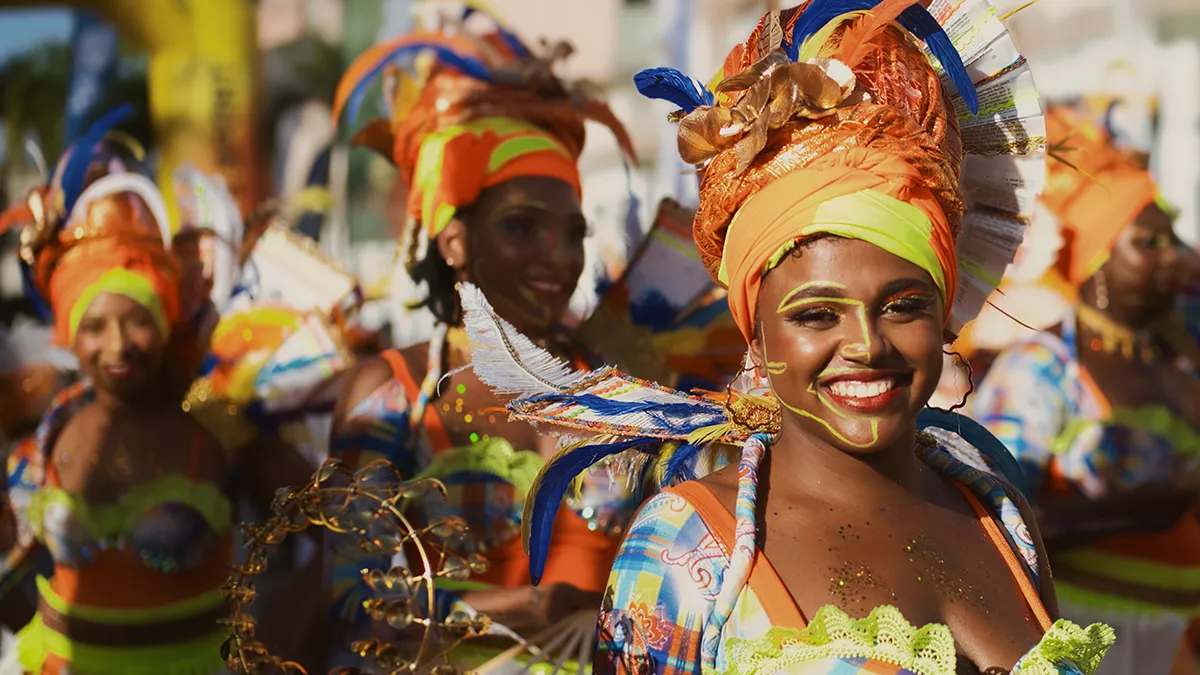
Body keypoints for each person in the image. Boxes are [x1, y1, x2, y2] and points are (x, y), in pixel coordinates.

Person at [459, 1, 1119, 673]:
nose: (865, 343)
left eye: (902, 305)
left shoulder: (992, 501)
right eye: (816, 314)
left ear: (945, 309)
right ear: (756, 335)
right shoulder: (686, 545)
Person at [327, 5, 640, 668]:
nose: (557, 256)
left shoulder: (619, 381)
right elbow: (354, 600)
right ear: (456, 240)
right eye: (523, 227)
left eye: (572, 232)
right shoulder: (392, 394)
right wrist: (527, 611)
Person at [0, 114, 317, 675]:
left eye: (137, 321)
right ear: (70, 335)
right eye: (94, 327)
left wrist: (274, 640)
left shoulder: (213, 424)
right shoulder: (51, 430)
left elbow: (327, 525)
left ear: (166, 321)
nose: (117, 346)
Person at [971, 105, 1200, 675]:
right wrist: (1125, 515)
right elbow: (994, 519)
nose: (1176, 257)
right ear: (1097, 263)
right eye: (1149, 244)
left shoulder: (1182, 360)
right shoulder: (1041, 369)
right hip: (1090, 638)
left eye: (1173, 239)